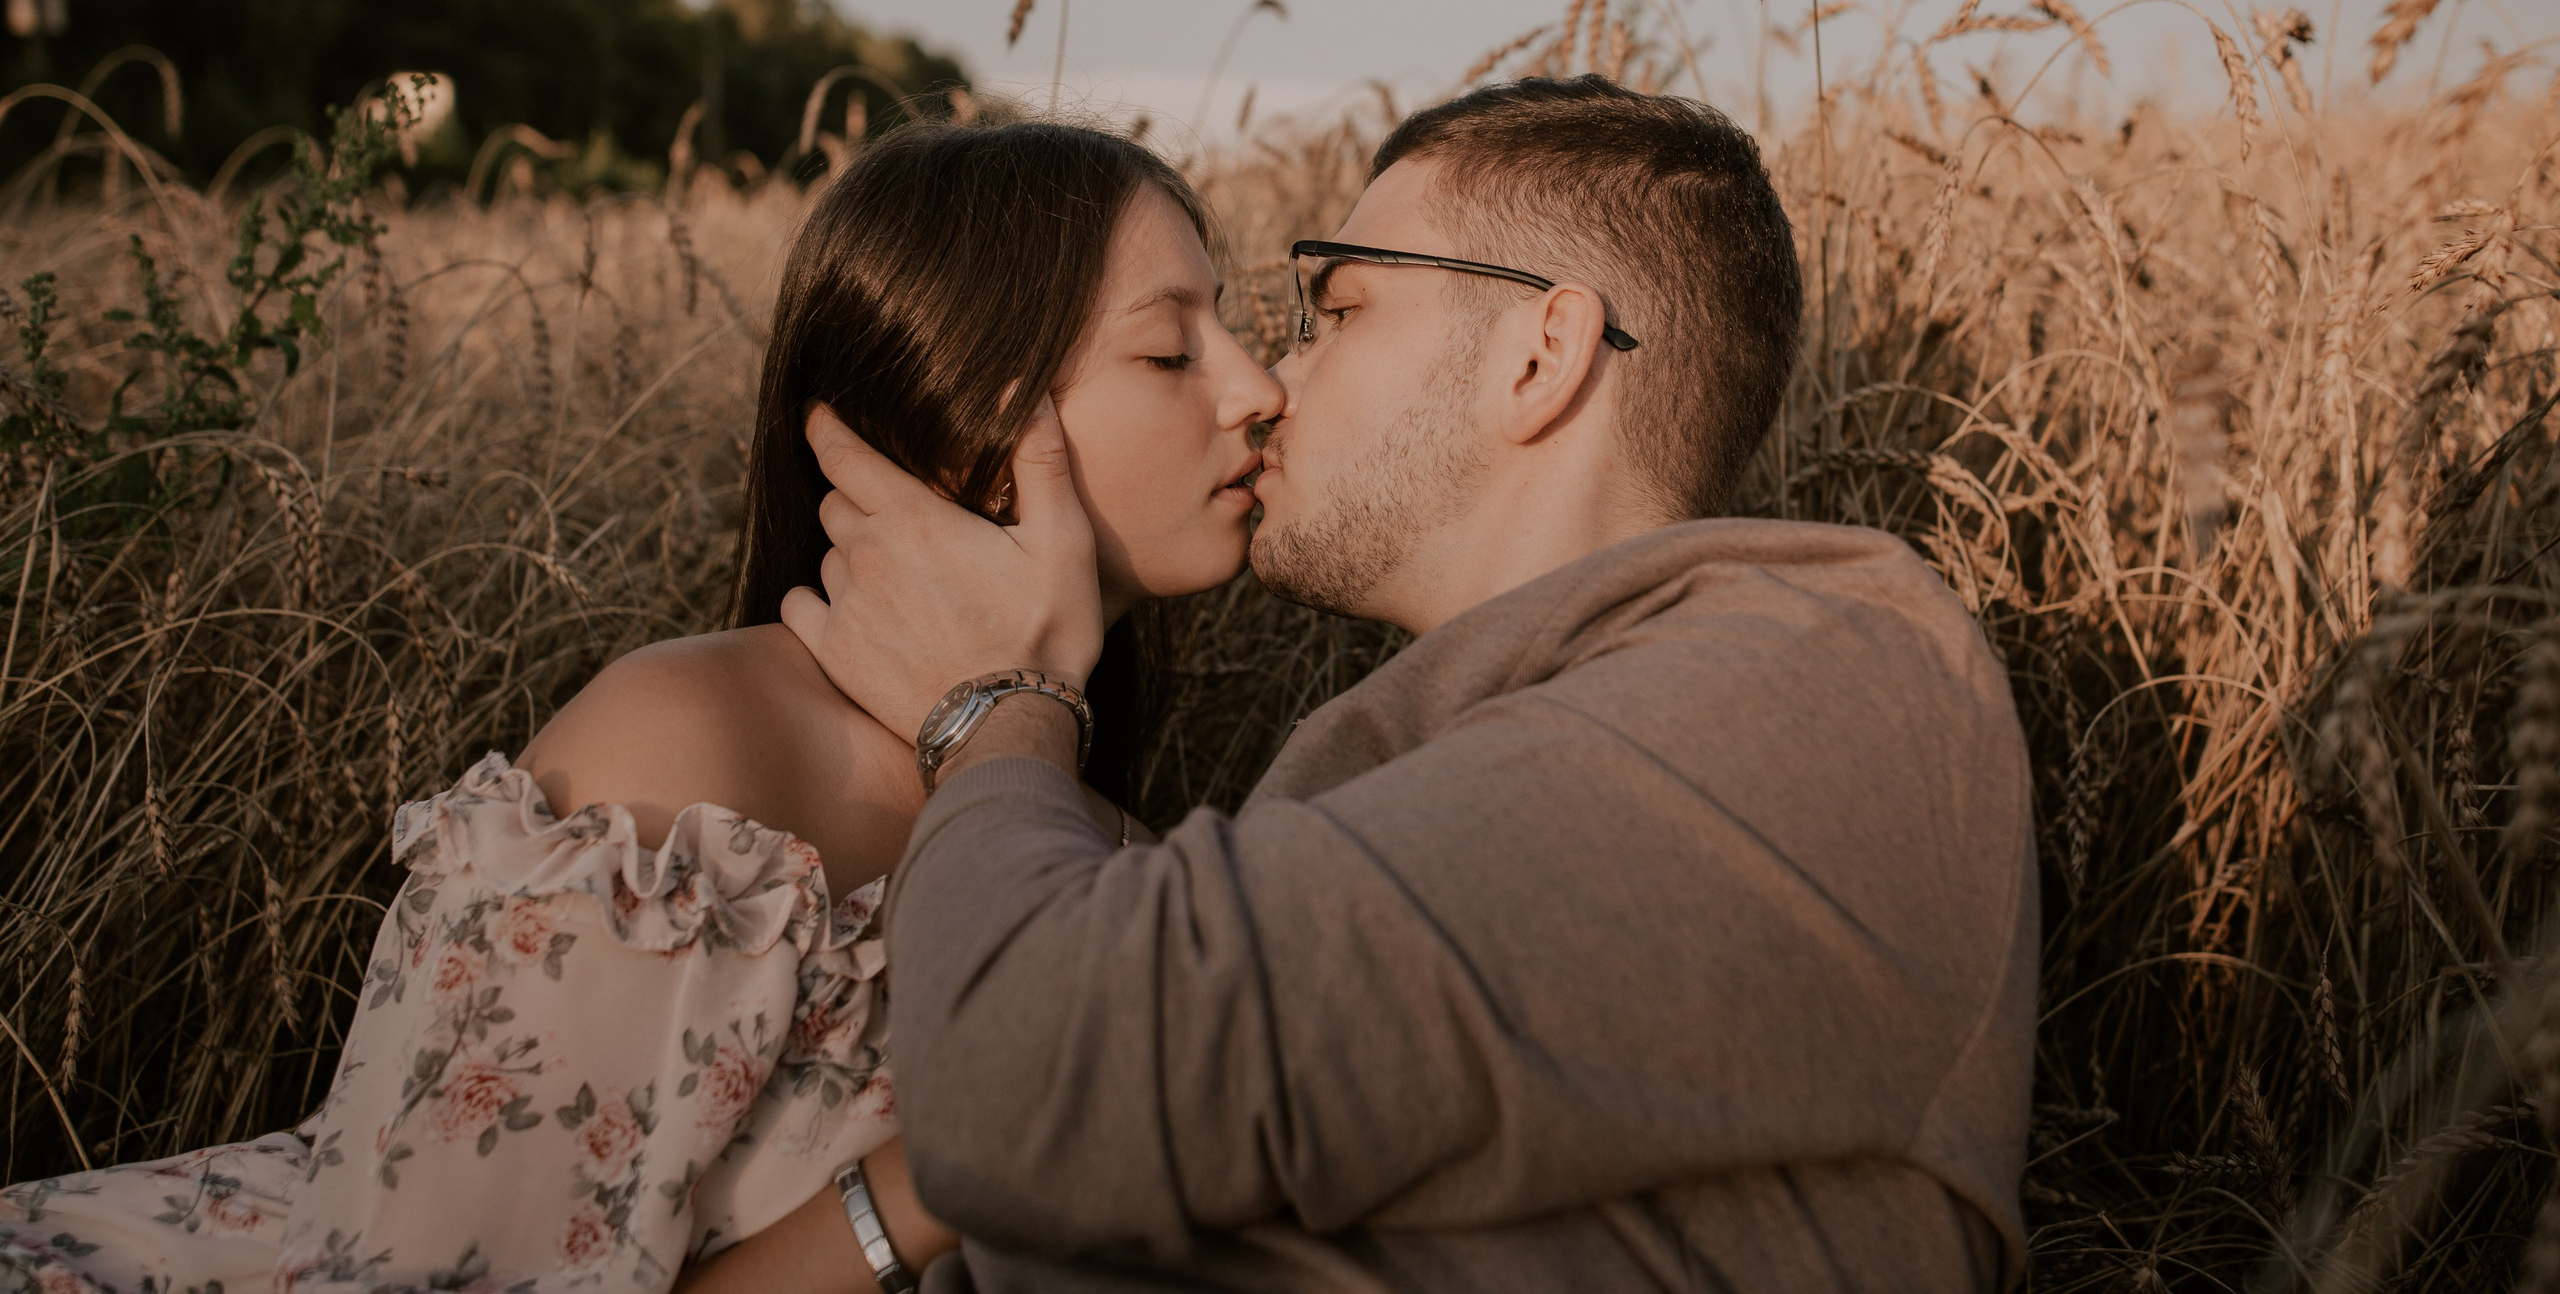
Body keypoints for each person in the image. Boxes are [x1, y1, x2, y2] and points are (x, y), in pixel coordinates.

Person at [773, 76, 2039, 1292]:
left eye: (1339, 312)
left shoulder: (1817, 669)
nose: (1272, 384)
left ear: (1541, 354)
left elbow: (1025, 1088)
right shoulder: (1497, 739)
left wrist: (995, 705)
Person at [0, 119, 1283, 1293]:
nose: (1256, 385)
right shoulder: (691, 758)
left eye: (1229, 325)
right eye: (1171, 348)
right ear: (968, 429)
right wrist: (945, 1171)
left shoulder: (1116, 858)